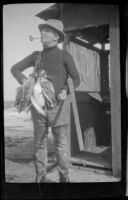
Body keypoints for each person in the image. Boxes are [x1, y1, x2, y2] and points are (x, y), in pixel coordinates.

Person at [11, 19, 80, 183]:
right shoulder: (36, 56)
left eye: (47, 31)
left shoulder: (65, 55)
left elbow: (76, 79)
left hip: (59, 107)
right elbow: (14, 68)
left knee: (61, 145)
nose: (42, 33)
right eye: (42, 30)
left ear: (56, 36)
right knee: (40, 144)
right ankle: (40, 179)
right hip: (38, 108)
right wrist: (24, 82)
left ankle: (64, 179)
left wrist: (66, 90)